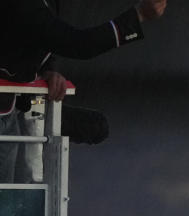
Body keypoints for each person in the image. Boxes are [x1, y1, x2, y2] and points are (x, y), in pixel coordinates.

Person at [0, 0, 168, 182]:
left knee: (94, 127)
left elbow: (34, 39)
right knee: (8, 196)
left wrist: (46, 71)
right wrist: (139, 15)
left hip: (18, 109)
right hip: (7, 113)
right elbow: (78, 43)